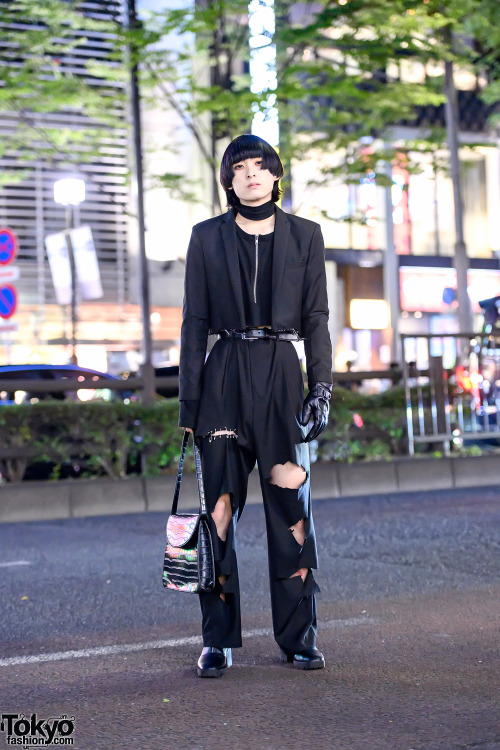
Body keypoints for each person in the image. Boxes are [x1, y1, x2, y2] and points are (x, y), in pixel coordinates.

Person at [179, 133, 332, 677]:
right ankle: (215, 640)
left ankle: (299, 637)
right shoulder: (206, 237)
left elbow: (316, 317)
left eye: (259, 165)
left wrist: (321, 388)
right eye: (239, 167)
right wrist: (188, 408)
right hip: (222, 376)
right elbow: (195, 321)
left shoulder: (305, 236)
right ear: (229, 180)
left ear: (275, 175)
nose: (250, 174)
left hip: (280, 373)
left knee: (291, 513)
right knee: (217, 513)